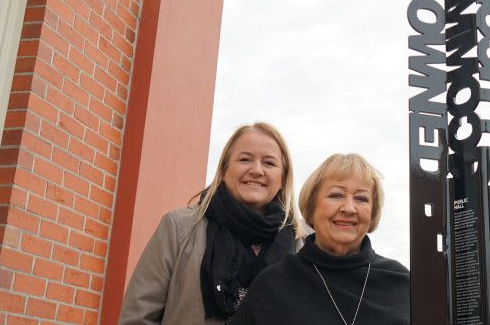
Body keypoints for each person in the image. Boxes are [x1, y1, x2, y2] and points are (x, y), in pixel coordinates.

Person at [118, 122, 305, 325]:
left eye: (269, 163)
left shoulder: (300, 243)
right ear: (224, 169)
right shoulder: (178, 229)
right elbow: (136, 318)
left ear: (283, 177)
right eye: (244, 159)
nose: (256, 170)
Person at [232, 153, 410, 325]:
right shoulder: (273, 285)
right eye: (336, 195)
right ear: (311, 206)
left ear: (372, 212)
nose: (349, 208)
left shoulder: (401, 282)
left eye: (361, 198)